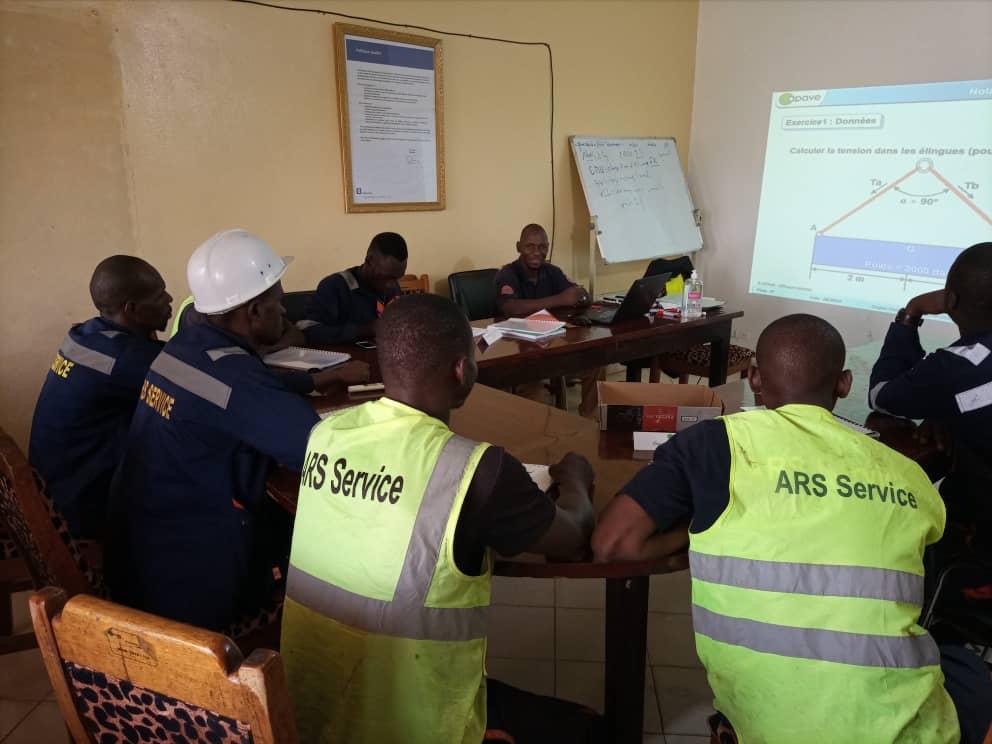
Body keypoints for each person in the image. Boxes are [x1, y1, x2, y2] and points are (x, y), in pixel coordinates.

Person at [591, 314, 989, 743]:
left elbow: (614, 544)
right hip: (910, 733)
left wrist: (703, 530)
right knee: (964, 666)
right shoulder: (908, 472)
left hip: (768, 727)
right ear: (844, 384)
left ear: (754, 378)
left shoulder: (715, 442)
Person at [281, 293, 605, 744]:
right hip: (416, 725)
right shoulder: (476, 469)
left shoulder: (326, 434)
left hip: (306, 711)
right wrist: (576, 477)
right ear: (462, 370)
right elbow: (573, 537)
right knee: (594, 731)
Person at [107, 229, 369, 632]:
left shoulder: (186, 346)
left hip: (143, 548)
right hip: (188, 583)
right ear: (254, 311)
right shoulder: (234, 376)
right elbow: (319, 450)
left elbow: (242, 391)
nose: (284, 314)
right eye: (279, 303)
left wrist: (312, 382)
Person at [29, 256, 173, 539]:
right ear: (131, 309)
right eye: (159, 296)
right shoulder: (125, 359)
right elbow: (190, 375)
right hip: (81, 506)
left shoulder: (85, 334)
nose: (169, 299)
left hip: (55, 487)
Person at [869, 242, 992, 573]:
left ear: (950, 300)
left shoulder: (956, 366)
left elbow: (881, 395)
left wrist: (911, 313)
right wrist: (948, 411)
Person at [494, 223, 602, 417]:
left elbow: (580, 294)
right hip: (519, 353)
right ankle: (539, 433)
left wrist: (579, 294)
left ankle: (590, 421)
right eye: (530, 246)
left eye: (542, 247)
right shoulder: (508, 273)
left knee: (596, 363)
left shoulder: (552, 271)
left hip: (552, 346)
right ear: (519, 247)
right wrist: (560, 299)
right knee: (534, 388)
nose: (537, 252)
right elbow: (511, 308)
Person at [301, 231, 408, 344]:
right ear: (369, 260)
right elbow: (309, 331)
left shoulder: (392, 286)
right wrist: (366, 330)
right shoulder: (335, 286)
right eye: (385, 277)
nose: (392, 284)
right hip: (343, 354)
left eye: (397, 277)